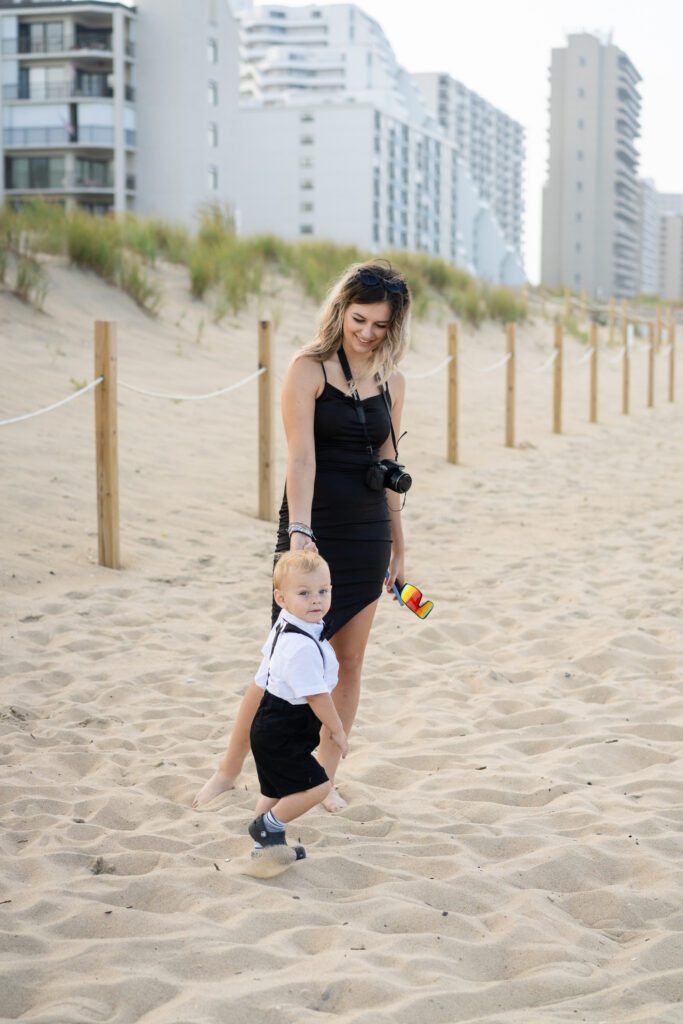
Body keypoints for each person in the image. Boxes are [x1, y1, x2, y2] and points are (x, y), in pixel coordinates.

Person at [193, 260, 410, 813]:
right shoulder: (308, 368)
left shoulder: (392, 381)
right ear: (341, 311)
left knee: (348, 662)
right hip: (313, 528)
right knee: (279, 664)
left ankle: (324, 778)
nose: (366, 333)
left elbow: (390, 465)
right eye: (359, 319)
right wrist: (300, 533)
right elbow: (301, 457)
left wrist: (400, 547)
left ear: (394, 328)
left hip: (367, 534)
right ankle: (227, 770)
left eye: (379, 325)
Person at [248, 550, 347, 852]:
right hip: (284, 730)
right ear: (281, 598)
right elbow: (317, 695)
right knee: (318, 786)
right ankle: (267, 829)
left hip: (269, 723)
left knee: (276, 791)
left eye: (323, 591)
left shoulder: (290, 623)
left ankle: (264, 849)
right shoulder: (299, 645)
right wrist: (336, 729)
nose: (316, 599)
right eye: (304, 593)